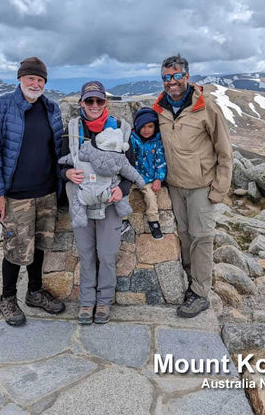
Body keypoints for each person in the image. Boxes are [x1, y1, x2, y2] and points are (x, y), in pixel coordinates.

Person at [0, 56, 65, 326]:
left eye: (40, 79)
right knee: (15, 249)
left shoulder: (51, 108)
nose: (36, 83)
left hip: (47, 192)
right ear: (20, 78)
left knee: (39, 245)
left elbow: (59, 149)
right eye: (31, 78)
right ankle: (7, 298)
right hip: (17, 196)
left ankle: (35, 292)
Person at [152, 54, 233, 318]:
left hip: (201, 186)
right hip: (174, 186)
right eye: (166, 77)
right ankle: (190, 280)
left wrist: (219, 189)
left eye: (176, 76)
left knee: (202, 237)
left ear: (187, 76)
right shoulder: (159, 108)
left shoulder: (205, 106)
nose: (172, 82)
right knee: (185, 236)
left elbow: (224, 150)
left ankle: (200, 293)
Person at [59, 81, 133, 325]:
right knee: (86, 252)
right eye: (89, 100)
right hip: (80, 200)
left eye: (98, 101)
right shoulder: (72, 129)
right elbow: (59, 164)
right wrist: (66, 174)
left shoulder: (122, 130)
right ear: (81, 103)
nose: (94, 105)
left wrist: (122, 190)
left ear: (106, 103)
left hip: (110, 202)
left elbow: (129, 167)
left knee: (107, 253)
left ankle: (104, 302)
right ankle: (86, 302)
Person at [130, 107, 167, 240]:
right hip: (132, 177)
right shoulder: (132, 140)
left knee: (150, 196)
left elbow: (161, 162)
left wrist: (158, 179)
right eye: (143, 127)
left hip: (147, 179)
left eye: (150, 126)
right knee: (122, 194)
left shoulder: (157, 142)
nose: (147, 130)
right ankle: (121, 220)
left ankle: (153, 221)